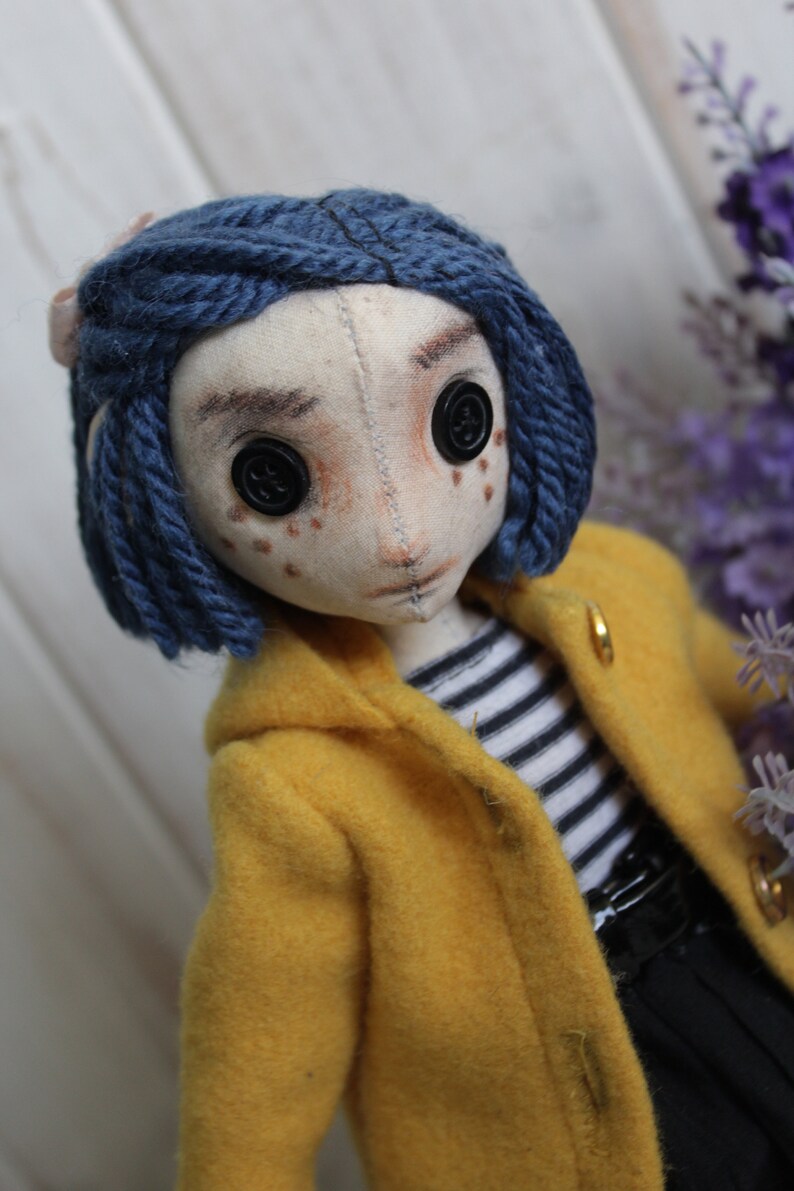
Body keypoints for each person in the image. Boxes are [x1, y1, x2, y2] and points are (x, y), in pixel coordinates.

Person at [54, 190, 794, 1190]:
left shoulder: (617, 581)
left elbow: (757, 693)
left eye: (457, 420)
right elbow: (266, 1043)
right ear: (161, 495)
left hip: (748, 965)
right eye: (273, 476)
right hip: (573, 1114)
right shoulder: (292, 786)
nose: (401, 533)